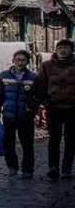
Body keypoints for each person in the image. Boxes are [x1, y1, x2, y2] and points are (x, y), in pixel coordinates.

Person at [0, 50, 38, 178]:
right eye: (17, 59)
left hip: (26, 117)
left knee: (27, 144)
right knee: (8, 143)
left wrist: (32, 109)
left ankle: (27, 170)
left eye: (23, 60)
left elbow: (38, 96)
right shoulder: (3, 76)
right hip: (9, 115)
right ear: (13, 60)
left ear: (27, 62)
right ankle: (12, 167)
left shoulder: (34, 78)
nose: (20, 62)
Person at [35, 39, 75, 180]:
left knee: (71, 140)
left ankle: (67, 169)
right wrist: (44, 102)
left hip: (72, 109)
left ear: (71, 50)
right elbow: (41, 85)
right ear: (56, 49)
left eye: (66, 48)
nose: (63, 50)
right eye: (60, 47)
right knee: (54, 139)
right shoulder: (46, 66)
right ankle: (53, 168)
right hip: (54, 108)